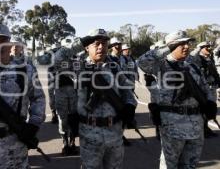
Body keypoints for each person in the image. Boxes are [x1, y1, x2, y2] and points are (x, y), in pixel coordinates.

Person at [55, 28, 137, 168]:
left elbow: (127, 91)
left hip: (115, 133)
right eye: (96, 43)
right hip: (89, 134)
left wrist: (130, 106)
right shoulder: (77, 66)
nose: (101, 47)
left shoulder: (114, 67)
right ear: (87, 47)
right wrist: (81, 42)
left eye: (105, 43)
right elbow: (58, 59)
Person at [0, 24, 46, 169]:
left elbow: (38, 98)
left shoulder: (25, 69)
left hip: (15, 144)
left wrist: (34, 124)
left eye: (3, 40)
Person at [138, 30, 217, 169]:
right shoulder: (161, 66)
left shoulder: (192, 66)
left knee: (190, 164)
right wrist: (168, 47)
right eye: (181, 44)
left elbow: (206, 88)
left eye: (187, 43)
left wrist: (210, 102)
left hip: (196, 125)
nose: (186, 46)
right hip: (172, 124)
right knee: (170, 165)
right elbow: (142, 62)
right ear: (171, 46)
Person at [187, 41, 219, 138]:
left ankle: (206, 127)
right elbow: (191, 56)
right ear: (201, 49)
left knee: (211, 108)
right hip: (204, 88)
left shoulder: (209, 58)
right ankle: (203, 129)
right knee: (203, 109)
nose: (209, 49)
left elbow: (214, 72)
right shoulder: (197, 59)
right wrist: (199, 47)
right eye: (206, 48)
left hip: (212, 87)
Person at [53, 37, 79, 155]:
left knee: (73, 117)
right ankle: (65, 142)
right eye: (66, 47)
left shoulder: (76, 58)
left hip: (74, 92)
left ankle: (73, 142)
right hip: (61, 91)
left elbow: (79, 72)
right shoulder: (57, 56)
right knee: (62, 118)